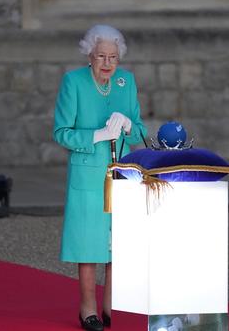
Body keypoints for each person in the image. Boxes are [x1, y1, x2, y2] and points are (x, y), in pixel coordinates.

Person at [53, 24, 147, 331]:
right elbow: (61, 133)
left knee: (116, 244)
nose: (107, 64)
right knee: (89, 244)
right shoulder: (74, 82)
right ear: (89, 55)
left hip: (122, 175)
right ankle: (87, 308)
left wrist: (130, 126)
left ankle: (111, 305)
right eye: (101, 56)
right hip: (88, 177)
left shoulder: (126, 82)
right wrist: (98, 134)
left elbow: (142, 131)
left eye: (113, 57)